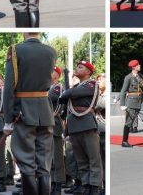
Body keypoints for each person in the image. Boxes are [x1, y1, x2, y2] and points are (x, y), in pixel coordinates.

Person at [3, 33, 57, 194]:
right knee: (44, 163)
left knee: (26, 161)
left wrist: (8, 119)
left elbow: (9, 86)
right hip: (45, 112)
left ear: (23, 32)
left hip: (23, 111)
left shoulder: (16, 50)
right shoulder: (50, 51)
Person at [59, 61, 102, 195]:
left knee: (93, 158)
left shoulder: (91, 84)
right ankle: (85, 184)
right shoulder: (75, 87)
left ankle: (94, 186)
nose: (77, 69)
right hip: (74, 126)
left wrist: (67, 92)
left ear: (88, 72)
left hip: (86, 123)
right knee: (81, 160)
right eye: (77, 66)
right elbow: (63, 100)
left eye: (80, 67)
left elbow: (70, 94)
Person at [48, 66, 65, 195]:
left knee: (57, 157)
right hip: (44, 126)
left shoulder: (58, 88)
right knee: (48, 158)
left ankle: (58, 184)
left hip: (54, 125)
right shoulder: (46, 88)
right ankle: (51, 182)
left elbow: (51, 97)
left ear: (57, 75)